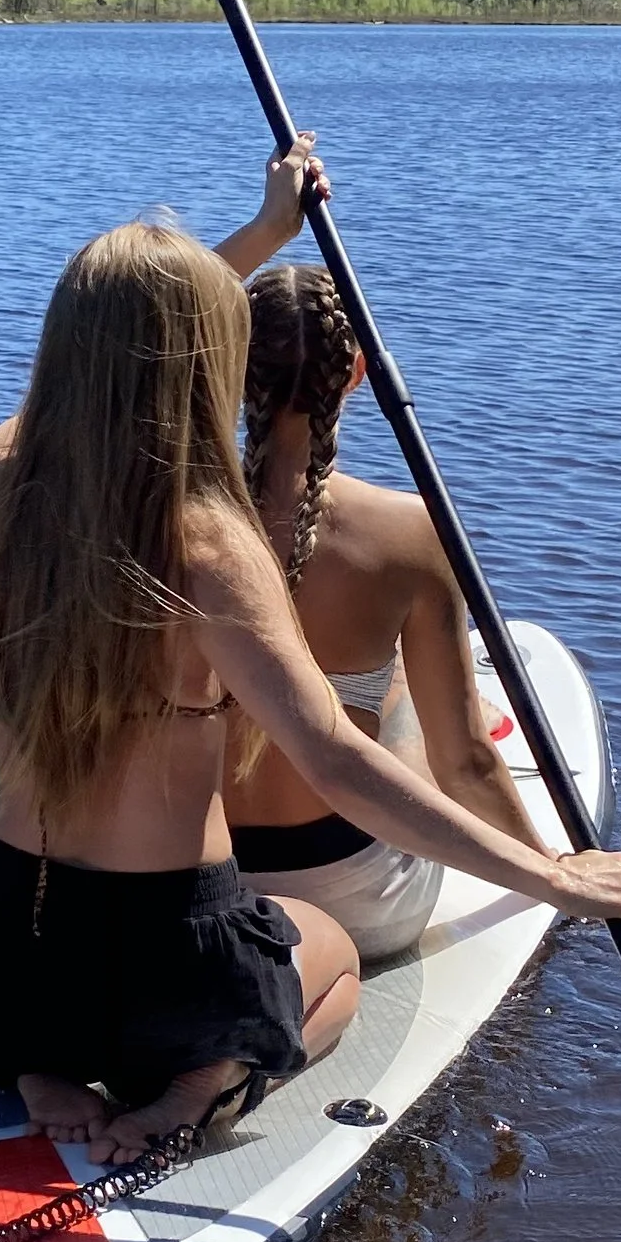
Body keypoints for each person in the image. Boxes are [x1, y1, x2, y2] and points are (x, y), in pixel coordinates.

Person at [0, 168, 621, 1166]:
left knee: (43, 985)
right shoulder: (208, 548)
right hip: (163, 967)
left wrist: (260, 235)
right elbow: (340, 763)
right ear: (205, 360)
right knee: (329, 955)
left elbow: (105, 362)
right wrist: (553, 879)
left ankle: (39, 1068)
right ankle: (188, 1096)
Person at [224, 261, 546, 959]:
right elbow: (462, 763)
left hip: (210, 884)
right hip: (357, 900)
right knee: (395, 681)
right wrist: (552, 870)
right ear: (357, 372)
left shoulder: (179, 520)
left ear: (232, 368)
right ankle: (448, 689)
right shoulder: (409, 532)